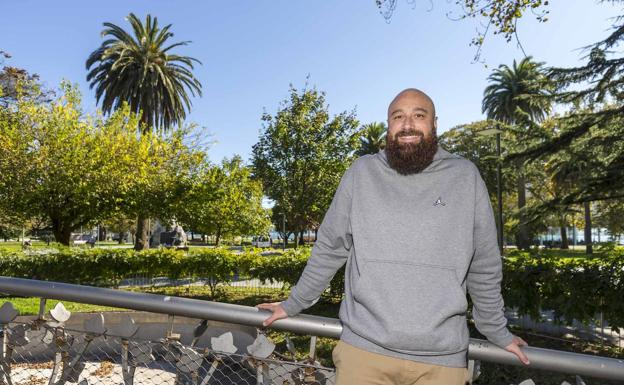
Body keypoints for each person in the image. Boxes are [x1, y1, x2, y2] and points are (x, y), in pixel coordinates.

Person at [256, 88, 529, 385]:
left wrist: (497, 331)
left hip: (442, 362)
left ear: (434, 123)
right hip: (363, 354)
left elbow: (484, 263)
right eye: (398, 116)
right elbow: (330, 247)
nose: (407, 124)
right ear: (388, 125)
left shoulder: (465, 176)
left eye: (418, 115)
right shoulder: (361, 173)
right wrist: (293, 303)